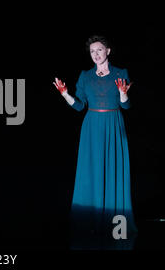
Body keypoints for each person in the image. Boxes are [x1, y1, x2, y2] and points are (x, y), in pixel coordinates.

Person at [53, 35, 137, 249]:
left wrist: (123, 93)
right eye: (92, 51)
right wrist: (65, 94)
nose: (96, 54)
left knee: (113, 171)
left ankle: (116, 225)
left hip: (113, 124)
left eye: (99, 50)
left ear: (108, 51)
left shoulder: (121, 73)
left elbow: (125, 106)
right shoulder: (85, 76)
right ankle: (89, 222)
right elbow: (80, 106)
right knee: (91, 172)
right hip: (91, 128)